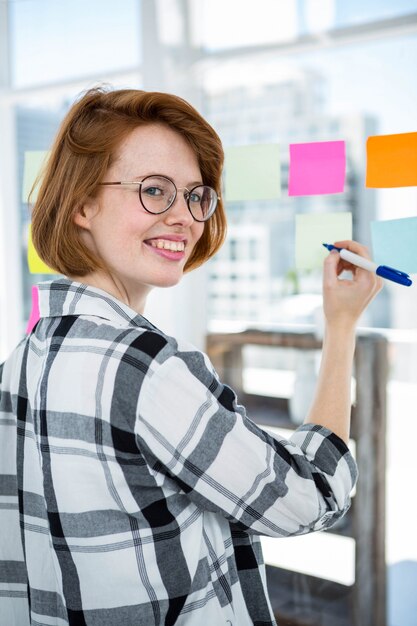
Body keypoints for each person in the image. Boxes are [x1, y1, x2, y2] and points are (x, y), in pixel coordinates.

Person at [0, 86, 382, 626]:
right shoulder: (142, 368)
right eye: (154, 191)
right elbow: (311, 495)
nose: (184, 216)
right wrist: (341, 325)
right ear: (82, 203)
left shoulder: (23, 359)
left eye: (195, 195)